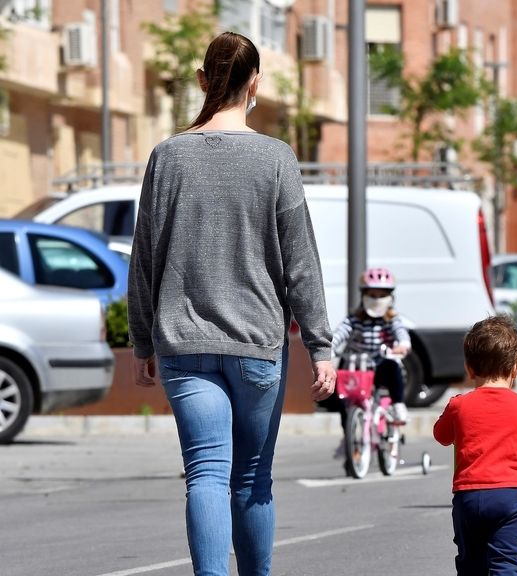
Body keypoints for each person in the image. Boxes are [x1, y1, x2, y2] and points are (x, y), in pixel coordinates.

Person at [127, 32, 336, 576]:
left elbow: (145, 256)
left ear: (202, 81)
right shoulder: (276, 159)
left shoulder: (166, 157)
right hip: (256, 346)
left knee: (205, 474)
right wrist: (321, 347)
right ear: (255, 85)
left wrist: (142, 340)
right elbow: (302, 264)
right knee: (250, 479)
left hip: (183, 344)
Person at [433, 315, 517, 576]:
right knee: (506, 565)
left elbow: (441, 436)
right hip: (511, 498)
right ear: (516, 368)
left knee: (471, 566)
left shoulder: (458, 405)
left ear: (469, 368)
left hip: (468, 497)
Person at [330, 267, 411, 439]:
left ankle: (398, 405)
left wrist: (403, 344)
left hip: (381, 364)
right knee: (344, 399)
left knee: (393, 368)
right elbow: (340, 333)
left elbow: (400, 332)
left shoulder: (391, 320)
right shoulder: (355, 319)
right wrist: (328, 347)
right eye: (372, 295)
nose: (377, 299)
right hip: (358, 367)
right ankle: (350, 437)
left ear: (390, 297)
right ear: (364, 296)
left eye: (382, 295)